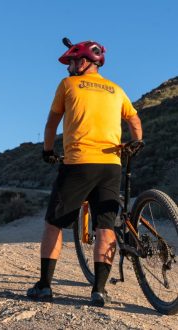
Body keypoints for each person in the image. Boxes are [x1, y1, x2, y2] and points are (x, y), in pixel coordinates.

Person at [27, 37, 143, 306]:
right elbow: (134, 121)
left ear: (86, 62)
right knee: (106, 226)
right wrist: (135, 143)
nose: (69, 67)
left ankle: (44, 285)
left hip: (79, 163)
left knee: (54, 223)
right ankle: (99, 290)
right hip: (111, 165)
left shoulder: (68, 85)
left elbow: (52, 123)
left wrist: (47, 151)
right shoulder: (116, 89)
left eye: (72, 61)